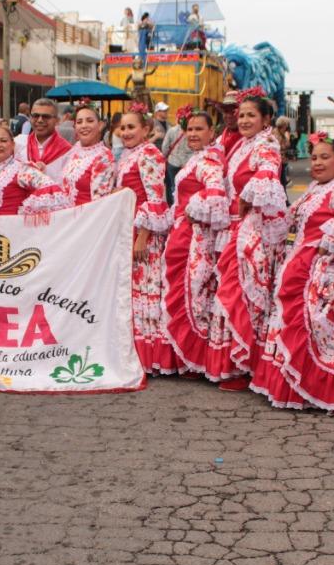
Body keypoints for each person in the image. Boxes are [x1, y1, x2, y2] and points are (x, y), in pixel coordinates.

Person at [253, 133, 334, 409]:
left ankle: (312, 387)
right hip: (299, 264)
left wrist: (324, 247)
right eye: (315, 157)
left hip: (318, 272)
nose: (317, 163)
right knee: (293, 323)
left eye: (325, 157)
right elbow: (290, 221)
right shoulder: (314, 189)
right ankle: (292, 384)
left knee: (308, 326)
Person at [93, 103, 178, 374]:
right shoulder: (129, 154)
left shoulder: (149, 153)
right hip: (129, 229)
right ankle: (137, 352)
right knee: (133, 292)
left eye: (132, 127)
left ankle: (151, 356)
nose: (126, 132)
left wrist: (143, 236)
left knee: (146, 289)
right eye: (123, 128)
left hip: (144, 233)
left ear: (146, 129)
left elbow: (155, 198)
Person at [215, 90, 288, 388]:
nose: (244, 120)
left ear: (266, 119)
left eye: (251, 115)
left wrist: (247, 196)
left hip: (256, 230)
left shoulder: (266, 144)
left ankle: (249, 364)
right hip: (240, 227)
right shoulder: (244, 144)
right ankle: (240, 362)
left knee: (248, 294)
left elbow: (268, 173)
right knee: (238, 292)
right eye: (241, 115)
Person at [162, 109, 239, 381]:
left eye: (199, 129)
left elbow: (216, 194)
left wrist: (192, 210)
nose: (193, 134)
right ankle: (187, 357)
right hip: (184, 232)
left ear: (211, 132)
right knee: (184, 292)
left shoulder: (208, 161)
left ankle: (195, 358)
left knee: (193, 294)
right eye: (190, 129)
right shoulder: (199, 158)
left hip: (194, 236)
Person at [61, 104, 115, 206]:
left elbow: (99, 203)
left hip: (88, 214)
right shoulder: (75, 149)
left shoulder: (103, 156)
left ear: (100, 125)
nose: (84, 126)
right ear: (75, 127)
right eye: (79, 122)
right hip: (67, 213)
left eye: (89, 121)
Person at [14, 97, 72, 183]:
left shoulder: (68, 152)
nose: (40, 120)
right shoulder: (18, 143)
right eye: (35, 116)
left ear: (57, 121)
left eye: (46, 117)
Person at [161, 105, 197, 206]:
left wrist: (165, 157)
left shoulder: (172, 130)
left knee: (172, 186)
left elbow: (164, 147)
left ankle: (173, 206)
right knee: (185, 186)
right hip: (188, 164)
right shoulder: (192, 131)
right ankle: (184, 205)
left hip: (173, 162)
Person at [216, 91, 242, 158]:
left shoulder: (250, 140)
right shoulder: (219, 139)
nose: (229, 116)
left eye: (233, 112)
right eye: (226, 111)